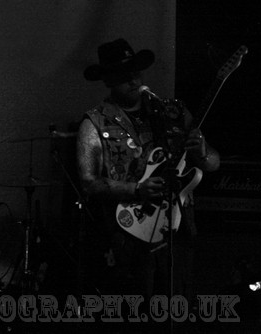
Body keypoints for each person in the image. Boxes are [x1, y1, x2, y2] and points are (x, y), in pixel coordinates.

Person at [76, 38, 220, 301]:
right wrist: (136, 189)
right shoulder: (95, 122)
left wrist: (201, 151)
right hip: (128, 233)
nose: (133, 80)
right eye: (123, 76)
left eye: (135, 72)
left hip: (177, 227)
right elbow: (88, 183)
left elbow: (213, 163)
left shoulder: (173, 112)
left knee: (177, 302)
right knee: (135, 306)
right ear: (107, 80)